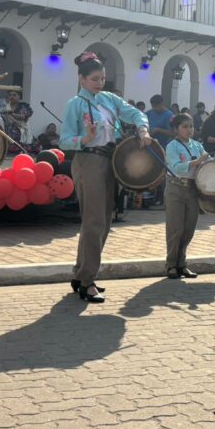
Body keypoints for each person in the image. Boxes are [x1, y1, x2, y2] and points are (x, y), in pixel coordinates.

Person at [60, 52, 152, 304]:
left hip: (110, 160)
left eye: (102, 78)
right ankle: (87, 280)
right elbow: (64, 140)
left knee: (103, 222)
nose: (99, 83)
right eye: (93, 79)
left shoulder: (110, 99)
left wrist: (142, 128)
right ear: (81, 79)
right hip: (88, 161)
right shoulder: (75, 105)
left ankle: (81, 274)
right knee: (94, 221)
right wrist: (85, 138)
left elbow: (134, 114)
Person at [164, 113, 208, 279]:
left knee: (189, 229)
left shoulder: (197, 145)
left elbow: (207, 161)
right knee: (175, 229)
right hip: (175, 189)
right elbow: (176, 167)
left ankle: (181, 263)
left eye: (191, 126)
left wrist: (213, 159)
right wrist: (196, 162)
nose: (189, 129)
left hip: (192, 190)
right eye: (185, 126)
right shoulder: (172, 146)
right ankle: (171, 264)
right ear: (176, 129)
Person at [146, 95, 175, 207]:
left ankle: (161, 197)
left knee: (162, 173)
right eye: (153, 107)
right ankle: (150, 196)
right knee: (151, 171)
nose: (156, 109)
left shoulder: (169, 115)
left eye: (157, 106)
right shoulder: (149, 114)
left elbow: (173, 133)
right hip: (150, 147)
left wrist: (158, 130)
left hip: (164, 147)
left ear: (162, 104)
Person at [1, 90, 37, 154]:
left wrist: (11, 113)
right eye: (10, 95)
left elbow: (22, 117)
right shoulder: (5, 107)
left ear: (19, 96)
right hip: (7, 130)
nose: (12, 97)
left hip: (20, 129)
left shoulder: (23, 106)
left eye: (14, 95)